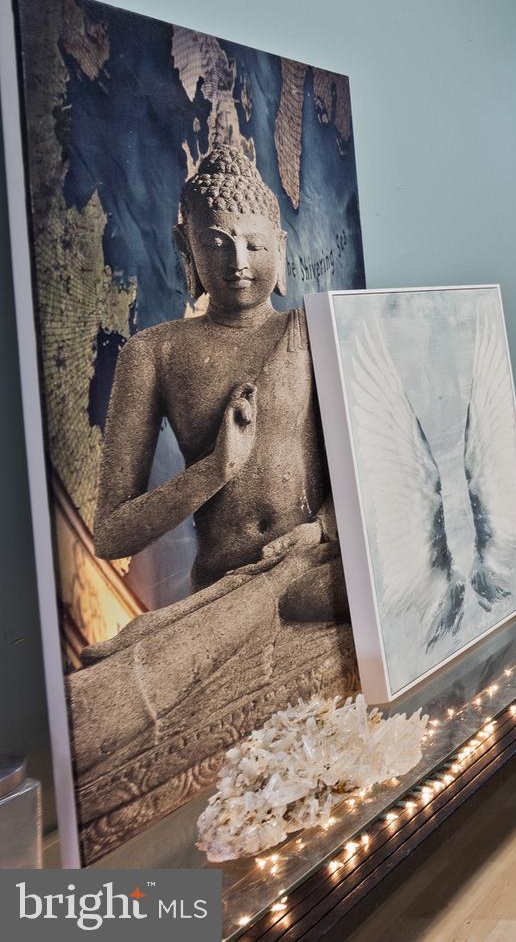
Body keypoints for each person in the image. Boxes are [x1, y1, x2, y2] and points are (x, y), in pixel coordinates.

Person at [66, 140, 354, 861]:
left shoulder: (309, 334)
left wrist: (319, 528)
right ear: (185, 246)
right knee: (92, 715)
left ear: (280, 248)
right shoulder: (154, 353)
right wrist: (215, 469)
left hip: (311, 573)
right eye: (217, 244)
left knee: (339, 596)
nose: (238, 262)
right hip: (221, 586)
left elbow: (370, 473)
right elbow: (110, 534)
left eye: (255, 244)